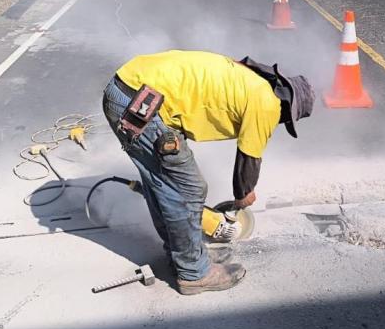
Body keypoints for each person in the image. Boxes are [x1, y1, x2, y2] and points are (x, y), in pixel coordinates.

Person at [102, 50, 314, 295]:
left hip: (131, 88)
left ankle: (184, 255)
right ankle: (194, 272)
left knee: (164, 183)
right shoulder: (268, 104)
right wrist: (244, 194)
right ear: (288, 109)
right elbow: (249, 157)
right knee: (187, 188)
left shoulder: (252, 79)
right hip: (141, 102)